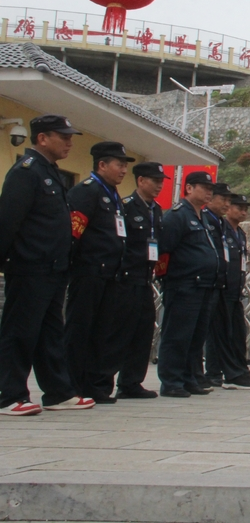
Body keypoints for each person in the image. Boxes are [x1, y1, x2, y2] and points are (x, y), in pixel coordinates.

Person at [0, 115, 93, 415]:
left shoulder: (49, 173)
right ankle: (9, 395)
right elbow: (8, 221)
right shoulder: (26, 173)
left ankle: (58, 392)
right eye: (62, 136)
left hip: (53, 267)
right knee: (19, 332)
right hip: (30, 266)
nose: (69, 142)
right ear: (42, 138)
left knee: (50, 332)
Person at [65, 141, 136, 404]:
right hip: (89, 271)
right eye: (119, 164)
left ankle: (94, 384)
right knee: (80, 329)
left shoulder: (112, 194)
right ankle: (72, 384)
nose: (123, 170)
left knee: (101, 332)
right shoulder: (87, 191)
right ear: (102, 164)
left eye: (125, 165)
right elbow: (73, 234)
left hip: (110, 274)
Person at [157, 171, 220, 397]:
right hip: (184, 284)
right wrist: (168, 279)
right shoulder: (177, 215)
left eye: (210, 189)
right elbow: (164, 250)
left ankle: (189, 377)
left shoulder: (201, 216)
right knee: (177, 334)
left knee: (195, 336)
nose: (208, 193)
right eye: (204, 188)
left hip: (203, 285)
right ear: (189, 188)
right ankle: (171, 380)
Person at [115, 161, 167, 400]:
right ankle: (105, 378)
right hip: (126, 278)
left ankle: (131, 381)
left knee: (143, 331)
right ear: (140, 181)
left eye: (161, 182)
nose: (158, 186)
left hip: (146, 278)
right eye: (154, 181)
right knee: (120, 330)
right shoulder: (125, 206)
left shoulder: (156, 210)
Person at [206, 193, 250, 390]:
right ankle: (214, 372)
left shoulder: (239, 233)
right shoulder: (221, 229)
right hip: (222, 286)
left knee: (237, 332)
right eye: (239, 208)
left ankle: (239, 370)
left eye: (246, 209)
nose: (243, 212)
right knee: (218, 334)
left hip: (235, 287)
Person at [199, 183, 232, 389]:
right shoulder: (203, 219)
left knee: (219, 330)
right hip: (201, 282)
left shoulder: (220, 223)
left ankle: (213, 372)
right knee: (201, 331)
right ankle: (194, 374)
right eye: (224, 200)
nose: (227, 204)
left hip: (220, 282)